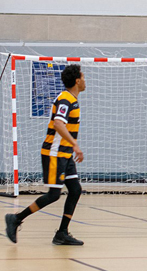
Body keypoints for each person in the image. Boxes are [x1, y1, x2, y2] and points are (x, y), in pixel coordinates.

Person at [5, 65, 87, 245]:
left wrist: (71, 147)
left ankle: (62, 233)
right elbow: (58, 124)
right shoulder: (65, 100)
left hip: (64, 153)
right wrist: (75, 145)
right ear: (77, 81)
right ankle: (16, 218)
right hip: (55, 153)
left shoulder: (72, 99)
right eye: (83, 76)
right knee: (53, 195)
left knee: (75, 190)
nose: (85, 80)